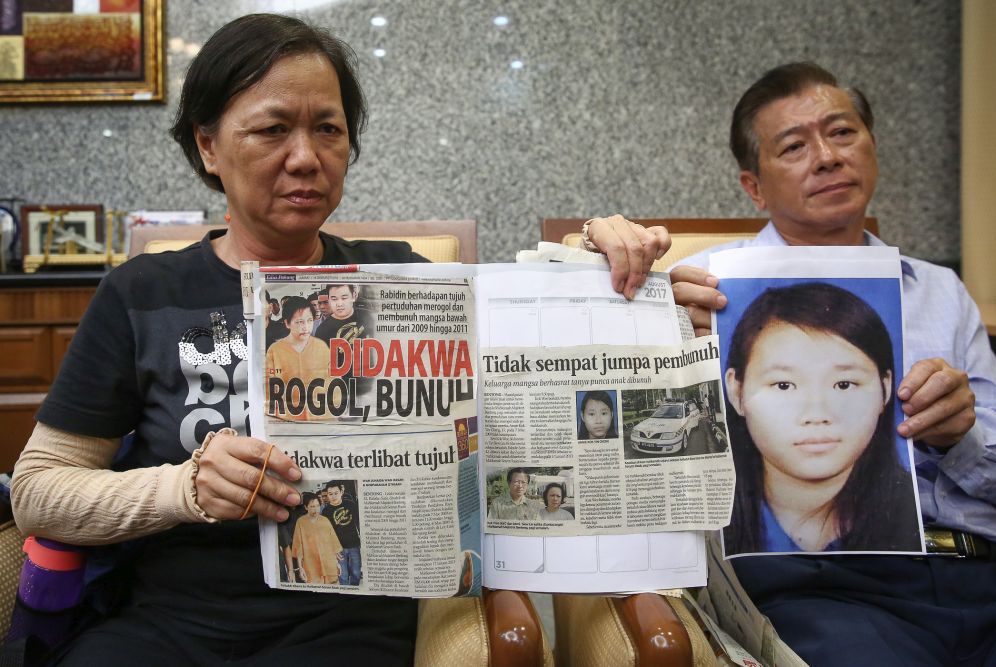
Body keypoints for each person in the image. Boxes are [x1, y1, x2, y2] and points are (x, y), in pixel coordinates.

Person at [8, 13, 670, 664]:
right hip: (165, 622)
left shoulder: (403, 280)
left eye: (328, 129)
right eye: (273, 129)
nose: (306, 158)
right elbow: (38, 491)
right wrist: (185, 489)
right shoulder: (142, 293)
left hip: (344, 624)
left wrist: (617, 280)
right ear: (208, 146)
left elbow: (544, 372)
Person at [668, 62, 996, 666]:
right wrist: (661, 332)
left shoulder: (940, 290)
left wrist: (962, 436)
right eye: (794, 146)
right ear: (754, 187)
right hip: (825, 587)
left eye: (842, 133)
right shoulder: (699, 288)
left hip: (979, 566)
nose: (826, 157)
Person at [722, 282, 921, 555]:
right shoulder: (707, 517)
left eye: (844, 384)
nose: (816, 415)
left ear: (885, 389)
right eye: (784, 385)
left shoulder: (915, 511)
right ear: (736, 391)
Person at [264, 295, 331, 421]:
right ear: (287, 323)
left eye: (309, 320)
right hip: (285, 420)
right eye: (299, 322)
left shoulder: (321, 347)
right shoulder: (274, 350)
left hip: (318, 419)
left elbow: (333, 387)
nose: (306, 327)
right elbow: (268, 392)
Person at [291, 492, 343, 585]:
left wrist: (337, 563)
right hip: (311, 565)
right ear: (306, 507)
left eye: (318, 506)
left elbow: (333, 543)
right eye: (312, 506)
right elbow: (298, 547)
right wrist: (300, 568)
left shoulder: (325, 520)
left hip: (329, 563)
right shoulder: (301, 522)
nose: (316, 509)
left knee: (333, 587)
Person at [322, 481, 362, 586]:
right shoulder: (325, 511)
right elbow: (326, 533)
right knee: (343, 575)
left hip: (354, 544)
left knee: (356, 573)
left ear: (341, 492)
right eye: (330, 494)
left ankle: (354, 590)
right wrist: (332, 550)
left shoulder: (350, 504)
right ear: (327, 495)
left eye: (336, 493)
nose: (333, 496)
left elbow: (359, 523)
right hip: (338, 548)